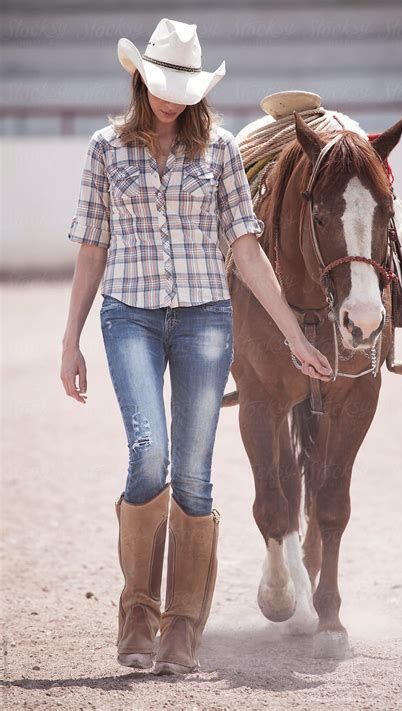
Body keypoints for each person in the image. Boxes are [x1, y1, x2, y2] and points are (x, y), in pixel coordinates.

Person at [60, 17, 333, 676]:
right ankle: (137, 608)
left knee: (195, 469)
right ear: (140, 79)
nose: (169, 98)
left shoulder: (220, 151)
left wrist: (294, 333)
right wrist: (70, 339)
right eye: (159, 83)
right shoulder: (105, 148)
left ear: (199, 90)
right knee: (148, 450)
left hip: (207, 320)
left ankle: (182, 626)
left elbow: (245, 247)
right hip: (129, 316)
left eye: (182, 86)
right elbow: (92, 248)